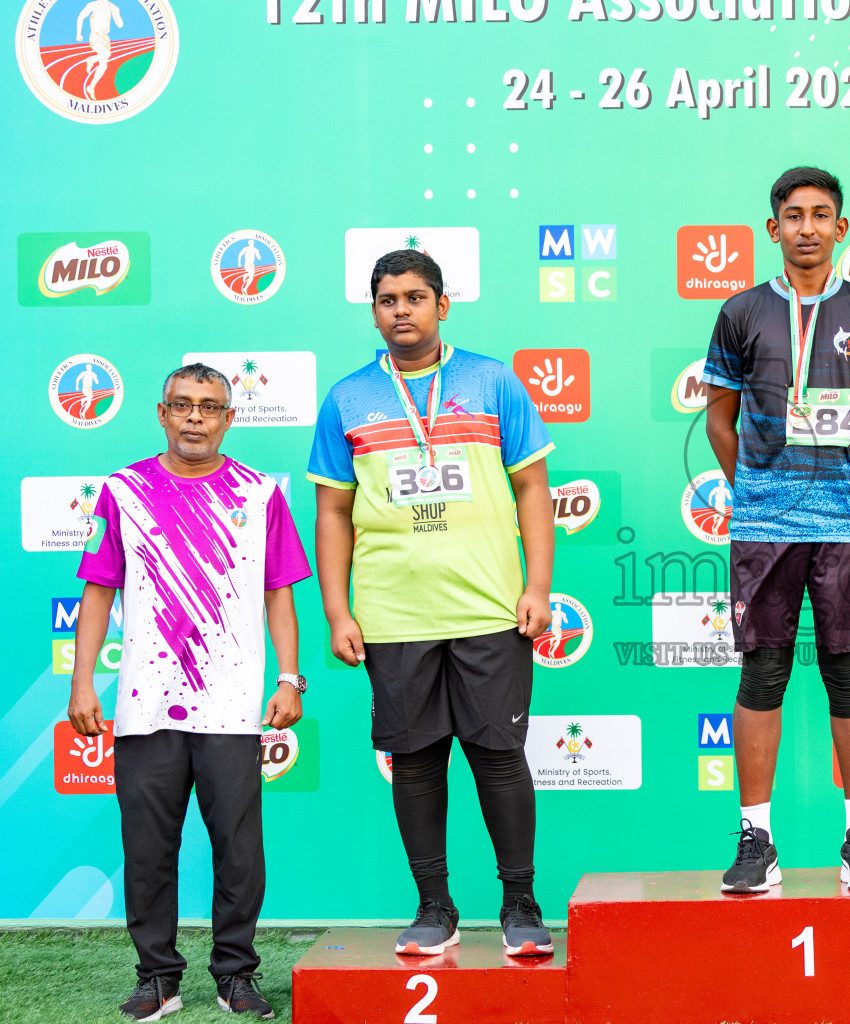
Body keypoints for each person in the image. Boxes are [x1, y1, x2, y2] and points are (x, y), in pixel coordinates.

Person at [308, 248, 557, 957]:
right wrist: (339, 610)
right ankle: (434, 907)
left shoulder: (491, 381)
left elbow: (533, 489)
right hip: (394, 614)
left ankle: (520, 905)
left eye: (416, 298)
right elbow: (332, 512)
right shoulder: (348, 398)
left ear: (441, 305)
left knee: (498, 757)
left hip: (488, 609)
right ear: (374, 310)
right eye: (388, 300)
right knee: (415, 762)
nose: (402, 311)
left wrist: (537, 587)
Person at [68, 363, 312, 1021]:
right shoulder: (123, 491)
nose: (196, 417)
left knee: (240, 851)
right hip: (145, 706)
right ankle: (158, 979)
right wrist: (82, 680)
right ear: (162, 413)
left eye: (209, 406)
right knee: (148, 852)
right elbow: (98, 591)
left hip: (231, 707)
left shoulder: (260, 494)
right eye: (183, 405)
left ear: (229, 418)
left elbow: (279, 595)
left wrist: (289, 678)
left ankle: (236, 975)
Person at [704, 166, 850, 894]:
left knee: (848, 670)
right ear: (774, 228)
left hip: (846, 521)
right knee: (762, 670)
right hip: (763, 522)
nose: (808, 227)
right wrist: (760, 490)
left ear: (841, 228)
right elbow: (719, 422)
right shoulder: (739, 313)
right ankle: (756, 841)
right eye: (794, 215)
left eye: (822, 215)